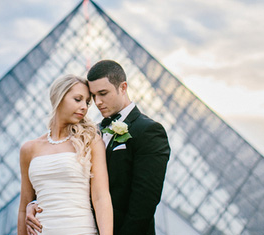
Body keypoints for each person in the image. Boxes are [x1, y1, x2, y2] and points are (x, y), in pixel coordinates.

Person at [27, 60, 170, 235]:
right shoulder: (90, 133)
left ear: (123, 87)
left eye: (103, 93)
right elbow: (70, 181)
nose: (98, 102)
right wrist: (35, 204)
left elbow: (145, 203)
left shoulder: (149, 131)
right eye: (93, 96)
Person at [18, 74, 113, 235]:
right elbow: (24, 206)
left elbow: (101, 197)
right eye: (78, 99)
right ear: (59, 97)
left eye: (87, 102)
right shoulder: (29, 149)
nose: (84, 106)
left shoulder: (90, 141)